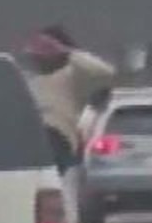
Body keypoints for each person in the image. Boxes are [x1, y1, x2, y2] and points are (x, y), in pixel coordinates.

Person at [19, 26, 117, 179]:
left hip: (56, 136)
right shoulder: (29, 78)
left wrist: (68, 51)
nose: (40, 56)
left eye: (47, 48)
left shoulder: (72, 75)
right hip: (27, 136)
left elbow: (105, 72)